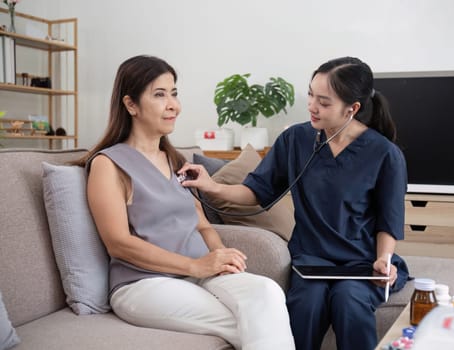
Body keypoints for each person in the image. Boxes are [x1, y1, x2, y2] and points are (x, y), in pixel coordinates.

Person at [180, 56, 410, 350]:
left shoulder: (385, 154)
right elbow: (256, 191)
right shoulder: (294, 140)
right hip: (311, 260)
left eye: (324, 102)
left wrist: (383, 260)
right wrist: (210, 186)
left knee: (349, 301)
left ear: (352, 109)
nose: (312, 106)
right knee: (307, 305)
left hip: (361, 262)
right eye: (311, 95)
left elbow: (388, 220)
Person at [74, 55, 295, 350]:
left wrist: (221, 257)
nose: (173, 105)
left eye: (174, 93)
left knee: (267, 293)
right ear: (130, 105)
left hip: (200, 275)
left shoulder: (177, 161)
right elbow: (118, 243)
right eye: (159, 94)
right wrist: (196, 265)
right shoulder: (109, 164)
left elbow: (203, 226)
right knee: (256, 321)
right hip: (144, 284)